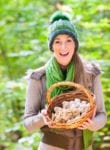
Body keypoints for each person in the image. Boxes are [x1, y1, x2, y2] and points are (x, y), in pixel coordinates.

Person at [23, 11, 107, 150]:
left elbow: (102, 116)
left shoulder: (91, 74)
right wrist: (41, 118)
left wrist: (92, 124)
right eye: (57, 42)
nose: (63, 47)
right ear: (52, 46)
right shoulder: (38, 77)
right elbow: (28, 124)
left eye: (69, 40)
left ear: (75, 44)